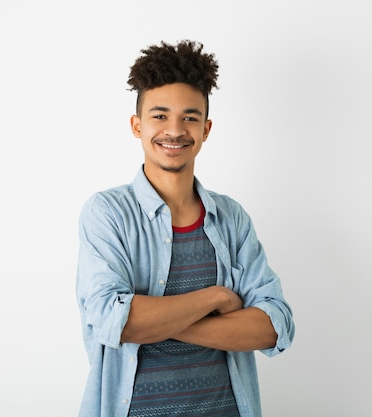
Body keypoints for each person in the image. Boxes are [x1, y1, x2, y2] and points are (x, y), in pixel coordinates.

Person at [76, 40, 295, 417]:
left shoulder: (231, 218)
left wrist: (154, 321)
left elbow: (273, 327)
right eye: (160, 116)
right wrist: (212, 300)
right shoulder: (107, 212)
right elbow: (114, 320)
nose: (174, 130)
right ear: (137, 125)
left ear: (206, 129)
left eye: (189, 117)